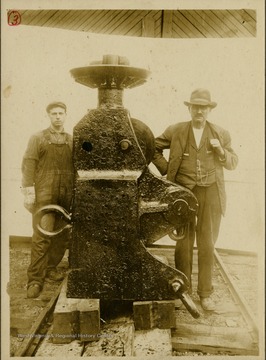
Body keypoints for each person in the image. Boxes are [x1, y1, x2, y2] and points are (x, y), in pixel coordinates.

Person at [152, 89, 238, 311]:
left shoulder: (220, 133)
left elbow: (232, 162)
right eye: (195, 106)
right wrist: (165, 168)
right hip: (183, 193)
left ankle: (205, 293)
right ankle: (183, 291)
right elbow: (152, 147)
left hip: (210, 193)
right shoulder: (176, 130)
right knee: (183, 242)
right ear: (189, 108)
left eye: (203, 107)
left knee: (207, 243)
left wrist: (220, 152)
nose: (199, 111)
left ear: (209, 110)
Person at [21, 101, 74, 298]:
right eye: (54, 114)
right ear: (49, 116)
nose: (58, 116)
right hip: (45, 197)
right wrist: (29, 192)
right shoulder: (38, 138)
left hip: (65, 197)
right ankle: (35, 280)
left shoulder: (72, 140)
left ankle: (50, 268)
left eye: (61, 113)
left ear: (66, 115)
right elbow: (28, 165)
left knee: (62, 236)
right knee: (42, 237)